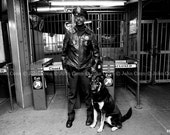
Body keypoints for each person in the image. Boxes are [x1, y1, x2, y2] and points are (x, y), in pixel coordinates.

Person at [61, 7, 100, 128]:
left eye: (81, 16)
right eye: (76, 16)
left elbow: (96, 54)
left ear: (84, 18)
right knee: (72, 94)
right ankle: (70, 117)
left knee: (88, 94)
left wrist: (92, 68)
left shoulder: (91, 34)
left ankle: (90, 116)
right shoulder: (69, 33)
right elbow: (64, 53)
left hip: (85, 69)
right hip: (72, 69)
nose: (79, 19)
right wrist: (67, 67)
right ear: (74, 18)